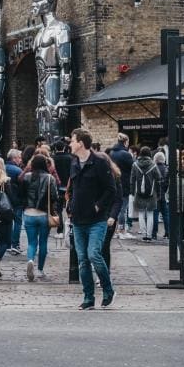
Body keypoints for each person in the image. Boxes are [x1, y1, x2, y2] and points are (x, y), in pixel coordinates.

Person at [66, 128, 116, 309]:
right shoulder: (74, 163)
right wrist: (70, 204)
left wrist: (98, 206)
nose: (70, 144)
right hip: (78, 220)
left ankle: (108, 289)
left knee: (93, 254)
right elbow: (72, 187)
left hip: (96, 220)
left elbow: (111, 189)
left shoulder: (100, 163)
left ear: (80, 142)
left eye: (72, 140)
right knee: (82, 260)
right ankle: (88, 297)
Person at [22, 154, 59, 281]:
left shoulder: (26, 177)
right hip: (44, 214)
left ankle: (30, 260)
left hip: (28, 214)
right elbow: (55, 196)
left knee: (32, 242)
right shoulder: (49, 178)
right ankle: (40, 270)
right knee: (43, 242)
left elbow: (21, 193)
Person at [131, 147, 160, 240]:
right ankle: (149, 235)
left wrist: (132, 192)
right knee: (150, 213)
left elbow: (132, 180)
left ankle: (143, 234)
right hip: (151, 193)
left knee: (141, 213)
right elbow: (158, 179)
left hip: (138, 193)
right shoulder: (153, 165)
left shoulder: (135, 164)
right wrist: (158, 193)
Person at [109, 133, 135, 237]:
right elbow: (132, 168)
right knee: (123, 208)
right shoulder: (126, 154)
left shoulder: (111, 153)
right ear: (125, 142)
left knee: (115, 207)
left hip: (113, 182)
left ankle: (115, 230)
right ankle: (122, 230)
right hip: (124, 183)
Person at [5, 149, 25, 256]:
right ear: (14, 158)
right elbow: (23, 185)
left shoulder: (2, 168)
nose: (21, 159)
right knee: (17, 222)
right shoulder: (17, 170)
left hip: (4, 200)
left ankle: (7, 244)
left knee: (7, 222)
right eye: (20, 157)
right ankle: (15, 244)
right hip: (17, 199)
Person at [151, 138, 171, 240]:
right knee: (166, 214)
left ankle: (154, 233)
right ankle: (168, 233)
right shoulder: (167, 169)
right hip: (163, 194)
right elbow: (167, 183)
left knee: (155, 214)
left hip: (155, 194)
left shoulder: (153, 168)